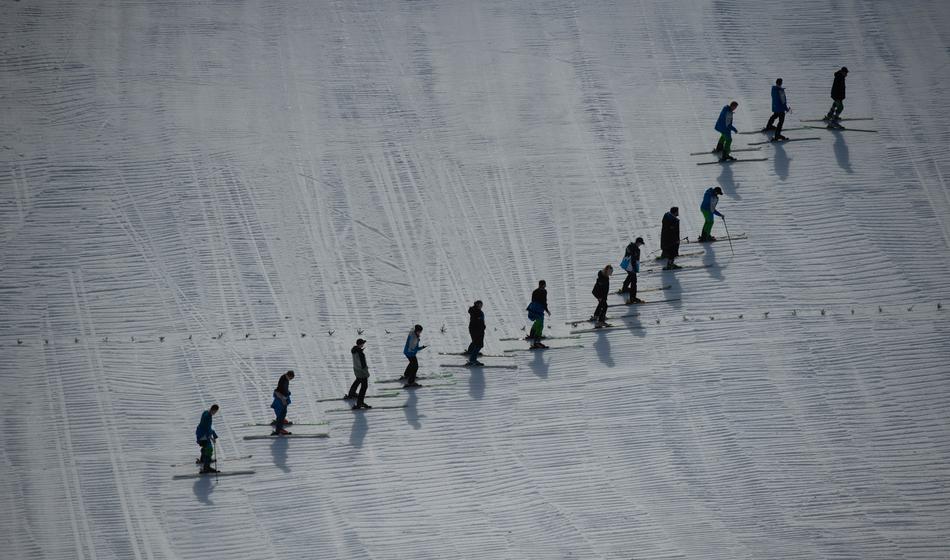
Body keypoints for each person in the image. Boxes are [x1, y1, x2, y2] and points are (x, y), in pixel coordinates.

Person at [346, 339, 372, 409]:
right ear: (360, 344)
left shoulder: (355, 350)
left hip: (356, 370)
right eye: (362, 343)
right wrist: (366, 371)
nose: (363, 344)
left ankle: (352, 393)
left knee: (358, 380)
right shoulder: (360, 353)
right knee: (364, 387)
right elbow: (363, 365)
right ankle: (360, 403)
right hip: (361, 371)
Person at [526, 280, 551, 349]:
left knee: (537, 322)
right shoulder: (544, 291)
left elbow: (533, 301)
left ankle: (532, 335)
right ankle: (537, 342)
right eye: (545, 285)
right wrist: (547, 311)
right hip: (538, 309)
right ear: (543, 285)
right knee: (540, 325)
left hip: (532, 309)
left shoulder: (534, 291)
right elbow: (544, 302)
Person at [195, 404, 219, 473]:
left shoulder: (206, 412)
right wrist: (212, 438)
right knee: (209, 449)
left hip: (200, 433)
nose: (215, 413)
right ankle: (206, 467)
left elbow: (207, 428)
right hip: (203, 435)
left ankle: (203, 459)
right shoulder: (208, 417)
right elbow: (207, 430)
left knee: (206, 447)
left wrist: (213, 433)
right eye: (215, 412)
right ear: (213, 410)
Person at [620, 237, 645, 304]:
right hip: (631, 267)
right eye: (640, 243)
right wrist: (635, 269)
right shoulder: (636, 250)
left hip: (625, 265)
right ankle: (632, 298)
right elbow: (633, 260)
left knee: (630, 276)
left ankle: (624, 288)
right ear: (638, 242)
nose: (640, 245)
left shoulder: (630, 246)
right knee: (634, 281)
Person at [271, 370, 294, 435]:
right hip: (280, 397)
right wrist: (283, 399)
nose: (291, 379)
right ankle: (279, 430)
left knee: (282, 411)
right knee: (281, 412)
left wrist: (287, 392)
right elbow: (280, 391)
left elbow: (284, 389)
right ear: (288, 375)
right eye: (291, 378)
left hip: (282, 396)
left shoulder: (285, 378)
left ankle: (281, 421)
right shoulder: (283, 380)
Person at [466, 301, 485, 366]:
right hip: (477, 330)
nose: (481, 306)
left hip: (475, 330)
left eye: (481, 305)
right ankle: (472, 360)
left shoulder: (475, 311)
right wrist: (481, 328)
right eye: (480, 304)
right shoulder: (477, 312)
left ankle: (471, 353)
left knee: (476, 343)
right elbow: (477, 322)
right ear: (477, 305)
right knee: (479, 345)